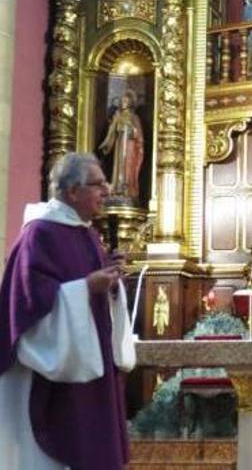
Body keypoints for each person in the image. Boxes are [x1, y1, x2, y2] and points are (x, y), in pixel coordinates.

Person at [0, 152, 134, 469]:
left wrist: (111, 284)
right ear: (72, 191)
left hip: (90, 370)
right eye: (98, 184)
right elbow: (27, 301)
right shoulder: (39, 234)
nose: (107, 190)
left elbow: (92, 293)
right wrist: (86, 287)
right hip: (55, 376)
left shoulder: (86, 233)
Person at [98, 89, 145, 200]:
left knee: (128, 166)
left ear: (130, 103)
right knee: (119, 166)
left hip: (130, 146)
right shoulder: (118, 116)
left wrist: (132, 131)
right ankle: (117, 188)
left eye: (126, 101)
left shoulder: (134, 117)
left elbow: (139, 134)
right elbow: (112, 131)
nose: (123, 103)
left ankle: (127, 190)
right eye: (122, 101)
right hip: (119, 144)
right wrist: (107, 143)